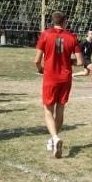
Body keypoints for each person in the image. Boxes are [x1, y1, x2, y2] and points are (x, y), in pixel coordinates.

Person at [35, 11, 83, 158]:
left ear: (52, 21)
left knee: (48, 110)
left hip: (50, 77)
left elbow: (36, 60)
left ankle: (55, 138)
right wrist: (69, 61)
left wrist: (40, 69)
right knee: (60, 109)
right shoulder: (72, 37)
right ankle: (53, 139)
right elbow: (80, 62)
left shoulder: (45, 35)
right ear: (65, 22)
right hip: (65, 78)